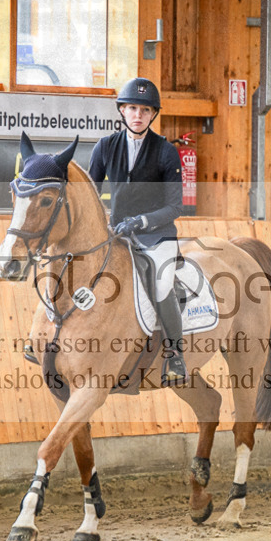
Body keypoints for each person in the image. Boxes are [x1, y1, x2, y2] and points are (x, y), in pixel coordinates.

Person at [88, 77, 187, 386]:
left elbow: (175, 207)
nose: (137, 115)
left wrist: (142, 221)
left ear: (153, 114)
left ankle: (175, 354)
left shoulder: (166, 151)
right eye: (132, 108)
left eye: (144, 110)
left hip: (156, 234)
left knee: (159, 284)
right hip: (116, 232)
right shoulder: (105, 146)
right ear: (122, 110)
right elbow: (91, 192)